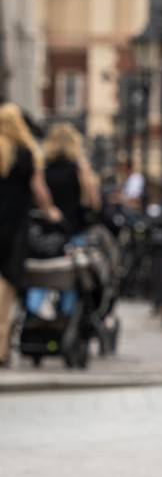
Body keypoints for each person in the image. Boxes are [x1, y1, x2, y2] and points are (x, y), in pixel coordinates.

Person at [0, 103, 62, 367]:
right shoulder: (26, 154)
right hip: (13, 230)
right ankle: (1, 348)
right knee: (6, 292)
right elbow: (40, 193)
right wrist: (52, 213)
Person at [24, 124, 102, 321]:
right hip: (74, 232)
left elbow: (39, 199)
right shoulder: (78, 170)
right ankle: (65, 318)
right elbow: (93, 202)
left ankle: (34, 313)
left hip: (46, 233)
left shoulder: (42, 169)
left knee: (41, 277)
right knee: (71, 279)